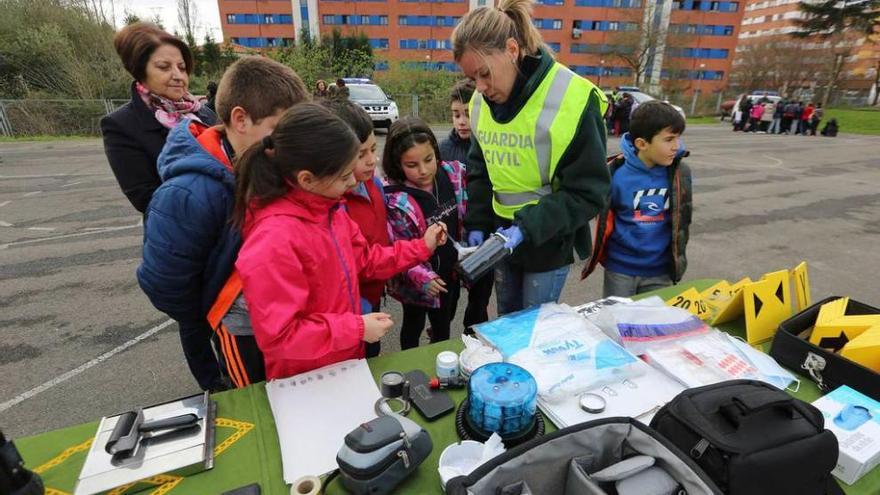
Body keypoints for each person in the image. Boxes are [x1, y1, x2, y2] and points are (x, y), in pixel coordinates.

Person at [233, 103, 447, 380]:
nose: (351, 184)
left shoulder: (330, 210)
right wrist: (356, 329)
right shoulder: (272, 241)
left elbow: (365, 260)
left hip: (343, 358)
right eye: (345, 176)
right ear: (307, 179)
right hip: (306, 378)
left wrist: (421, 247)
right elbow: (281, 336)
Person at [137, 57, 310, 391]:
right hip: (231, 330)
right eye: (280, 132)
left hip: (274, 322)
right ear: (241, 120)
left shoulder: (265, 164)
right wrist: (213, 314)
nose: (291, 145)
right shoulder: (188, 194)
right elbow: (165, 283)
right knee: (248, 406)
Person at [452, 0, 610, 315]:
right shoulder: (482, 104)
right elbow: (480, 170)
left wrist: (525, 228)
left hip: (548, 243)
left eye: (484, 74)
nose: (480, 89)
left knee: (535, 330)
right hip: (502, 240)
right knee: (507, 320)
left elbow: (589, 193)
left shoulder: (572, 99)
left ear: (512, 49)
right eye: (473, 79)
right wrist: (477, 225)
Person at [102, 22, 217, 214]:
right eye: (164, 67)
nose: (178, 76)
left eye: (182, 67)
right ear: (140, 70)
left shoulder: (203, 113)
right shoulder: (121, 125)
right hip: (182, 234)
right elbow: (146, 198)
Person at [581, 101, 692, 297]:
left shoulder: (679, 174)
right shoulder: (614, 174)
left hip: (661, 271)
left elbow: (682, 220)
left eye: (678, 138)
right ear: (642, 144)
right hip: (620, 269)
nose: (677, 146)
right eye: (669, 139)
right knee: (618, 323)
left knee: (654, 325)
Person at [383, 117, 466, 349]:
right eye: (412, 165)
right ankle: (410, 364)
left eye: (429, 160)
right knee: (412, 325)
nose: (423, 170)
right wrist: (421, 276)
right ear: (397, 164)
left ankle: (438, 361)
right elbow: (395, 247)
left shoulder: (452, 175)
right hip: (416, 284)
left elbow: (466, 213)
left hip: (448, 273)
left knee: (443, 325)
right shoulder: (394, 199)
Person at [321, 98, 388, 358]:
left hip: (372, 296)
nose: (372, 160)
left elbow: (382, 238)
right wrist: (358, 312)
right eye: (361, 155)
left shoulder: (375, 184)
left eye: (373, 149)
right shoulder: (334, 204)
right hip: (347, 314)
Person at [439, 79, 494, 328]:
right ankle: (440, 336)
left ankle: (473, 335)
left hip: (483, 236)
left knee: (480, 297)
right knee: (447, 298)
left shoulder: (489, 146)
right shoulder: (442, 150)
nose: (462, 121)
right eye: (456, 114)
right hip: (452, 239)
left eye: (468, 114)